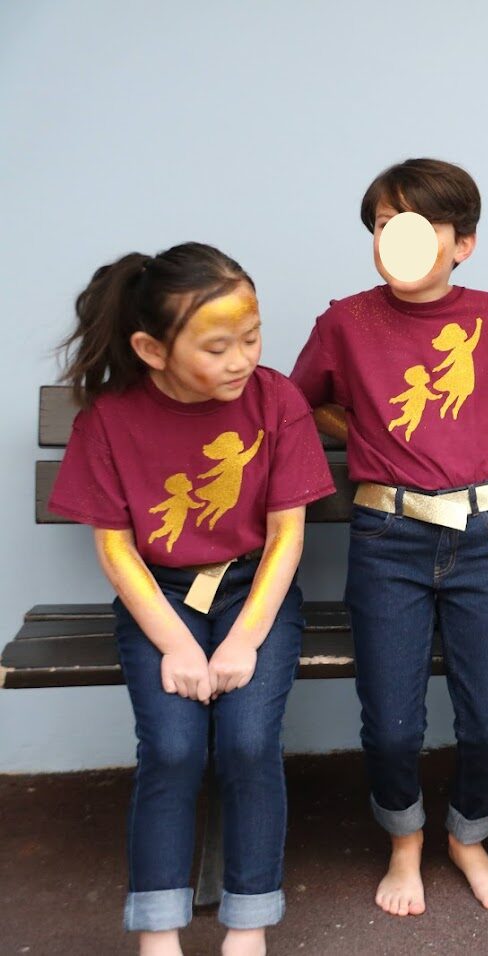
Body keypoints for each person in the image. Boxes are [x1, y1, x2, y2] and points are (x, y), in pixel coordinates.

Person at [49, 243, 334, 955]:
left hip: (254, 592)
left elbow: (287, 536)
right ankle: (158, 933)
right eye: (216, 347)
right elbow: (116, 548)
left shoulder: (277, 400)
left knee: (247, 743)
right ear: (152, 349)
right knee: (173, 750)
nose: (242, 359)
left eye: (251, 337)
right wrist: (176, 643)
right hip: (160, 597)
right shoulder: (109, 419)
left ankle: (247, 925)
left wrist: (244, 640)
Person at [289, 158, 488, 916]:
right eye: (383, 225)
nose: (396, 239)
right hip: (387, 537)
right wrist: (365, 431)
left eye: (421, 225)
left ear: (463, 243)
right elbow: (298, 403)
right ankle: (405, 840)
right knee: (393, 721)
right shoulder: (345, 322)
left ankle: (469, 836)